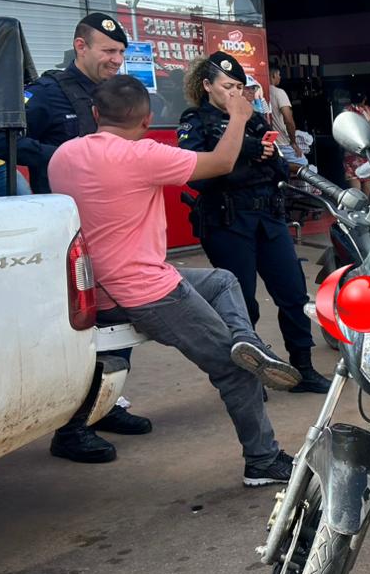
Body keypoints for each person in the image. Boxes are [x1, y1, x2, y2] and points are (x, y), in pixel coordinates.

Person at [49, 75, 299, 485]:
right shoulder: (142, 155)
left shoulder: (64, 155)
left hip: (100, 285)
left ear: (95, 114)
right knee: (236, 372)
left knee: (222, 280)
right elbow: (219, 163)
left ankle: (246, 341)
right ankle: (263, 460)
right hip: (147, 291)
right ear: (147, 121)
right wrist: (239, 116)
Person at [0, 12, 151, 462]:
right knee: (85, 326)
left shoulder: (112, 94)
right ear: (81, 47)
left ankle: (105, 404)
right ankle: (72, 429)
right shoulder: (47, 93)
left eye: (120, 52)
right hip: (67, 229)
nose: (117, 60)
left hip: (112, 225)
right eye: (107, 52)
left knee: (119, 318)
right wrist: (62, 153)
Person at [178, 52, 331, 394]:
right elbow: (199, 177)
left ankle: (302, 367)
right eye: (227, 86)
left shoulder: (254, 119)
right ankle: (248, 376)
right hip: (228, 221)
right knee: (241, 303)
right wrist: (246, 154)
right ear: (207, 86)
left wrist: (247, 157)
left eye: (238, 87)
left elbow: (278, 166)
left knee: (293, 293)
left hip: (268, 218)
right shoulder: (196, 121)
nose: (235, 93)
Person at [342, 87, 370, 194]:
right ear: (365, 98)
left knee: (357, 191)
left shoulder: (346, 110)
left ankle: (360, 210)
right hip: (363, 152)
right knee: (365, 187)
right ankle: (365, 209)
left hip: (355, 151)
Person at [267, 65, 305, 168]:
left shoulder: (261, 91)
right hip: (283, 142)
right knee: (303, 166)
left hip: (270, 143)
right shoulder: (279, 92)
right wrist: (293, 143)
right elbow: (288, 120)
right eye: (279, 75)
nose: (280, 77)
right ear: (273, 75)